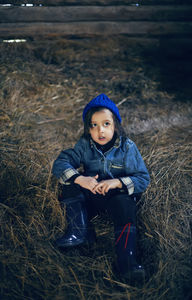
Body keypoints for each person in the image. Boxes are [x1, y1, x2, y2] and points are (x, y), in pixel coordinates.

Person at [52, 93, 150, 284]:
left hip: (116, 197)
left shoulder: (127, 148)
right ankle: (79, 231)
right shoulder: (84, 145)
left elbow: (143, 179)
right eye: (94, 125)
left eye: (106, 124)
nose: (100, 131)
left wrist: (117, 182)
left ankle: (127, 260)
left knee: (124, 204)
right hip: (93, 194)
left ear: (116, 125)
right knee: (68, 183)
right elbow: (60, 163)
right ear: (88, 129)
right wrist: (81, 179)